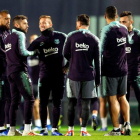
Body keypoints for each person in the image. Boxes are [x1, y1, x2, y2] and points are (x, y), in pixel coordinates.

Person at [28, 15, 67, 136]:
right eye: (40, 23)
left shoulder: (61, 37)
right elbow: (25, 54)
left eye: (44, 23)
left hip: (59, 76)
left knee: (57, 103)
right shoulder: (37, 42)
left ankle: (55, 129)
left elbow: (72, 52)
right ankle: (44, 129)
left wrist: (68, 66)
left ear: (50, 24)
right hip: (44, 77)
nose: (42, 25)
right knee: (42, 103)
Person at [64, 14, 100, 136]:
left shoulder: (71, 36)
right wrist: (98, 78)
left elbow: (65, 53)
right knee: (86, 104)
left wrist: (74, 59)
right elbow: (97, 61)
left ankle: (70, 130)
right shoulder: (94, 39)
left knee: (71, 103)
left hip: (73, 74)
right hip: (89, 75)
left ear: (78, 23)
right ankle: (83, 131)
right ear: (88, 24)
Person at [5, 15, 40, 136]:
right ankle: (27, 129)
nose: (27, 25)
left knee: (14, 101)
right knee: (30, 99)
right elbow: (23, 52)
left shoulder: (8, 37)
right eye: (25, 23)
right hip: (19, 71)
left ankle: (11, 130)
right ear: (17, 25)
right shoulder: (20, 35)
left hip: (10, 72)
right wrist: (34, 52)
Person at [100, 6, 131, 136]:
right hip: (123, 69)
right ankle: (127, 124)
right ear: (116, 16)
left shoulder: (106, 30)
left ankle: (116, 129)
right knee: (122, 97)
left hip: (110, 69)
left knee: (112, 99)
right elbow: (127, 44)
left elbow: (100, 50)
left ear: (105, 16)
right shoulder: (124, 28)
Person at [119, 11, 140, 136]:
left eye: (124, 22)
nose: (122, 24)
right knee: (123, 100)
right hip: (123, 74)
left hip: (136, 73)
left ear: (131, 22)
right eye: (120, 22)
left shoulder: (138, 35)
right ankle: (124, 128)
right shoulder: (118, 35)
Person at [0, 10, 11, 136]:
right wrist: (10, 55)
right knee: (1, 99)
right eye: (5, 19)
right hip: (0, 71)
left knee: (9, 99)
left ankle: (8, 126)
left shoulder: (9, 32)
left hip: (8, 71)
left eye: (9, 18)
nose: (8, 21)